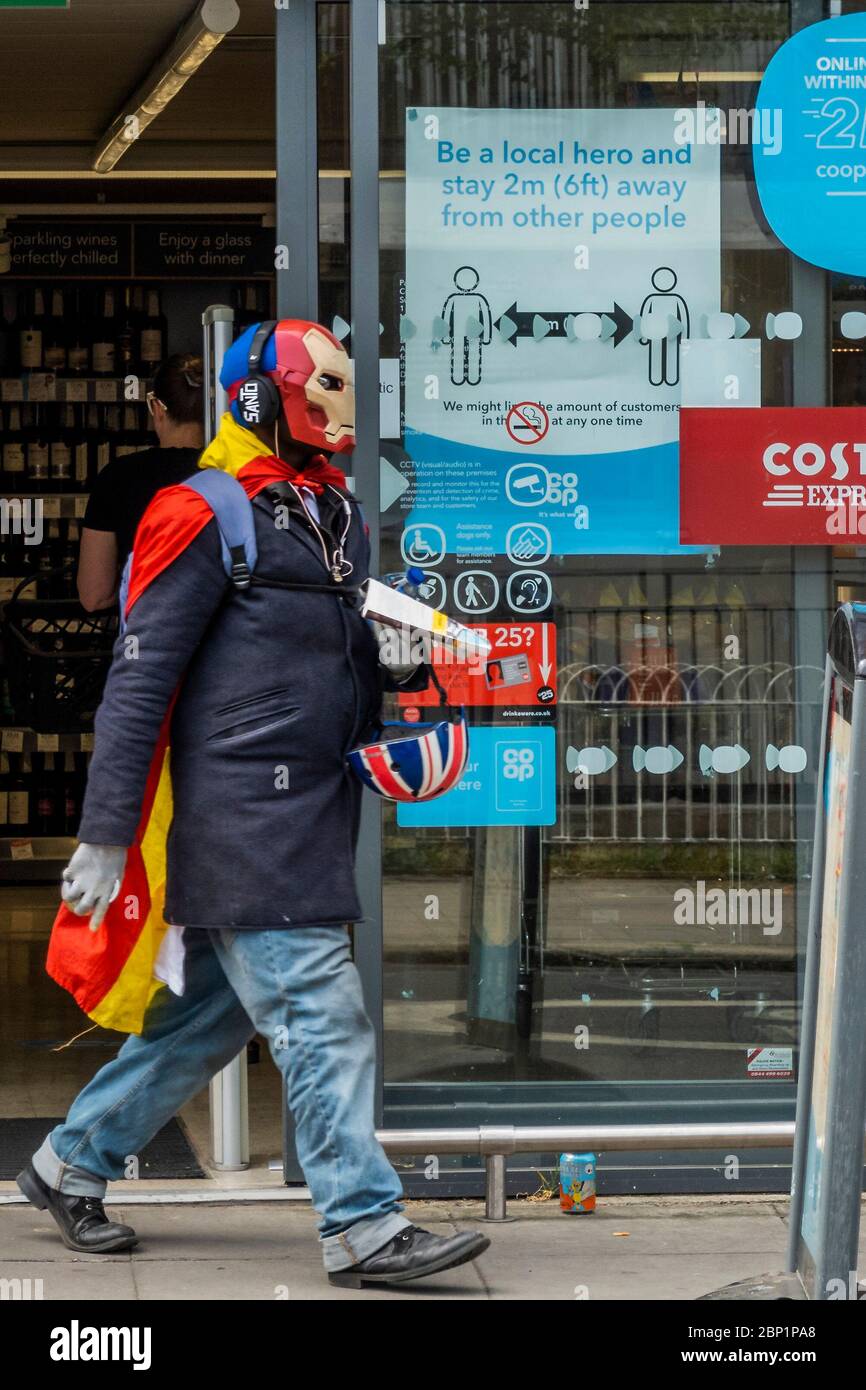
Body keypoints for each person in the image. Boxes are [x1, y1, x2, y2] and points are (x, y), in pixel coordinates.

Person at [17, 318, 490, 1290]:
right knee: (322, 1017)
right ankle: (362, 1226)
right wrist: (106, 835)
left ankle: (68, 1164)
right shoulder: (202, 511)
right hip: (244, 820)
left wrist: (389, 662)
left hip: (309, 807)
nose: (336, 404)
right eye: (318, 387)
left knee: (205, 1023)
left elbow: (330, 646)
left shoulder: (330, 512)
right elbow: (139, 677)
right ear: (264, 398)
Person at [77, 354, 205, 612]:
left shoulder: (118, 477)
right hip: (223, 644)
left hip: (146, 639)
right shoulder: (234, 473)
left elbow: (94, 596)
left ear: (157, 408)